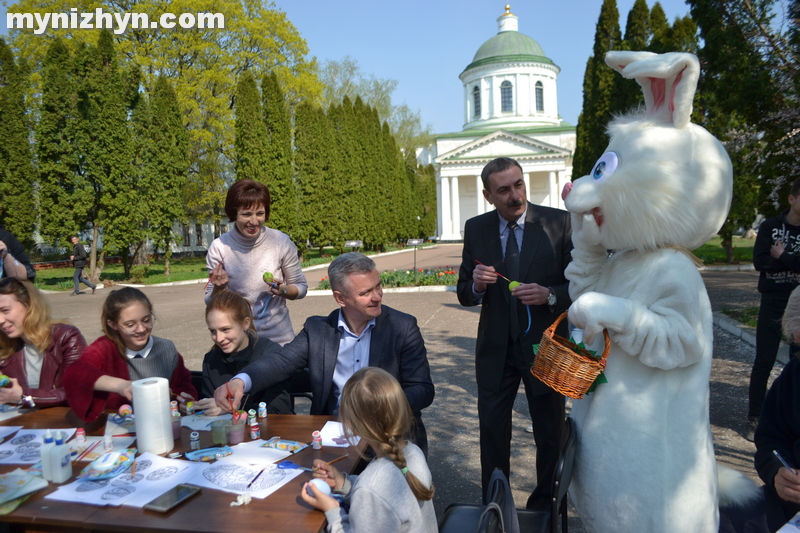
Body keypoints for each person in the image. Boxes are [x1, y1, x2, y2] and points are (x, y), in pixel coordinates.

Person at [213, 252, 435, 455]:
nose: (377, 296)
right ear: (340, 298)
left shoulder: (402, 327)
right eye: (366, 292)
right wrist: (241, 382)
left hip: (390, 438)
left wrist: (380, 410)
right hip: (335, 439)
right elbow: (281, 361)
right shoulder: (318, 330)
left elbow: (422, 389)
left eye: (378, 286)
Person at [457, 156, 572, 507]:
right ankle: (496, 507)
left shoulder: (559, 222)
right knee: (492, 435)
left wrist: (551, 294)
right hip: (496, 351)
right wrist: (475, 285)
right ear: (488, 195)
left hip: (546, 348)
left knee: (550, 434)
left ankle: (545, 510)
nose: (515, 195)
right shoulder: (476, 229)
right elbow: (464, 293)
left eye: (518, 184)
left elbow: (583, 283)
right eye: (503, 190)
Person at [300, 367, 437, 533]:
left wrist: (333, 510)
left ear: (354, 426)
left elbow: (375, 492)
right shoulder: (413, 452)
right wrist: (343, 483)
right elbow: (384, 495)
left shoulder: (370, 488)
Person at [65, 287, 196, 422]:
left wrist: (183, 399)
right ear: (113, 325)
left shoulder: (166, 348)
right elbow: (73, 375)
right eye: (130, 324)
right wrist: (121, 386)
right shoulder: (104, 348)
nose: (141, 329)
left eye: (146, 320)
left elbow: (184, 387)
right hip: (118, 430)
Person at [205, 180, 307, 346]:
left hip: (279, 340)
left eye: (260, 213)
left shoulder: (280, 241)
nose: (254, 221)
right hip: (239, 342)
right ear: (234, 213)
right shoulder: (220, 248)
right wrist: (218, 288)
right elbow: (210, 302)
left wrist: (283, 290)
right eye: (246, 214)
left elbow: (301, 287)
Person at [747, 176, 800, 441]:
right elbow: (760, 262)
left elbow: (774, 259)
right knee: (764, 361)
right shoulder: (770, 226)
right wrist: (793, 263)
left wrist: (783, 256)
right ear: (792, 198)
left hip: (799, 306)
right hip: (773, 300)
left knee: (797, 365)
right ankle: (755, 417)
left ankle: (792, 423)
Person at [193, 290, 292, 416]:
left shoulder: (271, 354)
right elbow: (209, 405)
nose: (219, 338)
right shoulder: (211, 360)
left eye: (225, 329)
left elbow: (279, 411)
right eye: (213, 331)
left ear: (246, 323)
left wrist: (235, 408)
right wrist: (195, 406)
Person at [751, 285, 800, 532]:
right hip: (792, 503)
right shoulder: (794, 373)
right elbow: (771, 439)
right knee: (723, 518)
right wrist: (777, 473)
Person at [0, 278, 86, 408]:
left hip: (61, 423)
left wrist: (23, 396)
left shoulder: (66, 337)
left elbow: (77, 390)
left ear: (29, 306)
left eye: (5, 310)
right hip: (19, 423)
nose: (0, 320)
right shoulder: (5, 345)